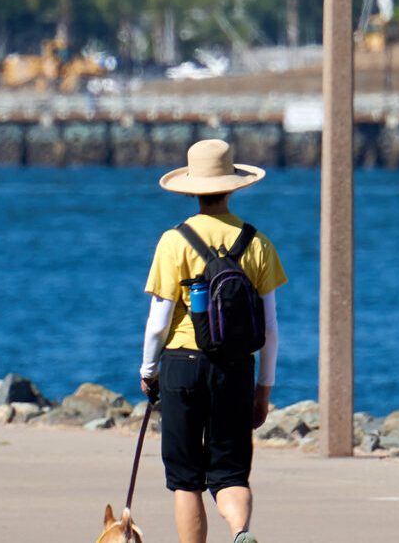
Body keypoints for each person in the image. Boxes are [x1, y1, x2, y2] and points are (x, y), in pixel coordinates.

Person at [141, 138, 285, 543]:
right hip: (236, 368)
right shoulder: (257, 243)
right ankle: (240, 532)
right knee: (230, 472)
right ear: (234, 186)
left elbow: (158, 323)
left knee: (186, 479)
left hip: (182, 365)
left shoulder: (174, 241)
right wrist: (264, 387)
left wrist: (148, 371)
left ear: (191, 189)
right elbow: (270, 327)